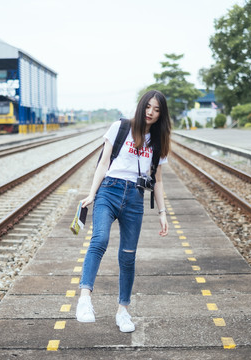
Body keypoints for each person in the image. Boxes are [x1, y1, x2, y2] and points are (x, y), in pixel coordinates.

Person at [76, 90, 171, 332]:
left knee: (128, 256)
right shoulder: (121, 127)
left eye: (157, 109)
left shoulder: (158, 141)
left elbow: (157, 180)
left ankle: (123, 311)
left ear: (162, 114)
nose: (151, 112)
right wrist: (91, 193)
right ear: (142, 106)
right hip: (109, 190)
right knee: (100, 239)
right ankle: (85, 298)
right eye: (148, 107)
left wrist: (162, 213)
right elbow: (103, 163)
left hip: (135, 198)